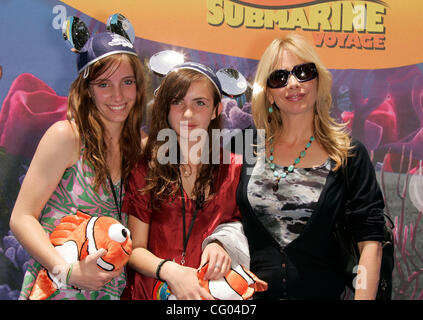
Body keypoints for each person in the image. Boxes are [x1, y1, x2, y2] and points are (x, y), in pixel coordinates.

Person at [235, 33, 386, 300]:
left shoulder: (348, 154)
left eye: (303, 72)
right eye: (279, 77)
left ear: (319, 81)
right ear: (269, 94)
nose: (293, 84)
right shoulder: (245, 146)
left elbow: (370, 244)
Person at [9, 31, 146, 300]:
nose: (118, 95)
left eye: (127, 82)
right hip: (57, 288)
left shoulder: (140, 149)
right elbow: (21, 218)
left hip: (112, 292)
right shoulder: (67, 137)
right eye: (104, 84)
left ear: (138, 87)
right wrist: (69, 272)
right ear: (88, 89)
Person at [121, 62, 249, 300]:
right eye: (178, 102)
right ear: (166, 108)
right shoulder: (146, 166)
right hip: (150, 293)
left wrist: (221, 244)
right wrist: (171, 271)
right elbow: (134, 248)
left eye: (199, 103)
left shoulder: (236, 169)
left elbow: (245, 230)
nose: (187, 113)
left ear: (216, 110)